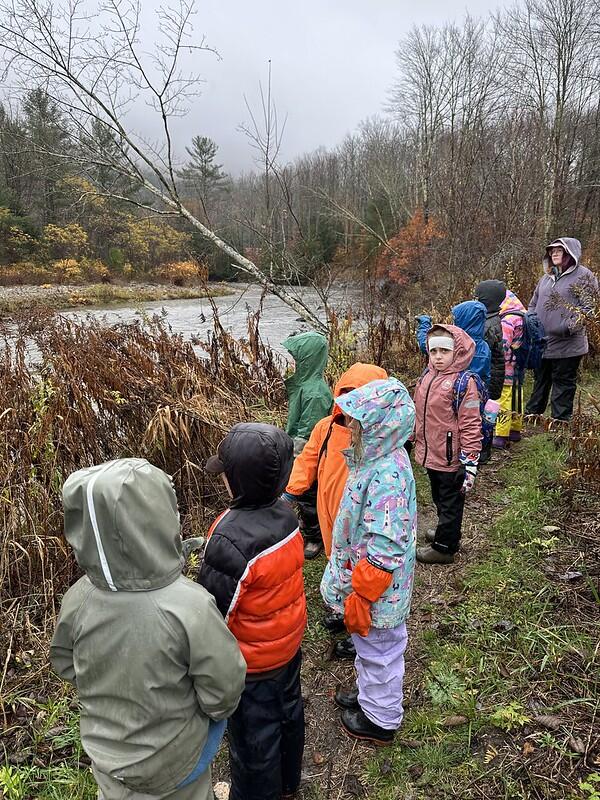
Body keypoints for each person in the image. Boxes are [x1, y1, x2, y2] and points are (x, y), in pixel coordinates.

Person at [50, 458, 246, 800]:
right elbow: (224, 688)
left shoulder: (78, 598)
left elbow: (65, 663)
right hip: (174, 762)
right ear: (160, 518)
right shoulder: (190, 605)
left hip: (107, 757)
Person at [198, 423, 307, 800]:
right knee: (289, 713)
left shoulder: (228, 539)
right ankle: (289, 783)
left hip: (252, 666)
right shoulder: (287, 517)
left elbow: (211, 614)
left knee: (252, 741)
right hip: (287, 647)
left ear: (237, 481)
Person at [320, 378, 417, 746]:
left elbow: (387, 547)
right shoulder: (374, 460)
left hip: (377, 590)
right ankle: (369, 697)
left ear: (380, 427)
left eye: (358, 423)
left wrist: (362, 595)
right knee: (370, 644)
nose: (350, 429)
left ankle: (381, 718)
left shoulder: (386, 475)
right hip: (368, 584)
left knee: (381, 650)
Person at [284, 362, 388, 659]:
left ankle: (360, 631)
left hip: (361, 519)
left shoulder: (377, 439)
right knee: (337, 561)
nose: (353, 406)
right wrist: (291, 491)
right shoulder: (325, 428)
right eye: (347, 395)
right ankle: (343, 610)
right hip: (329, 512)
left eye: (362, 397)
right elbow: (307, 461)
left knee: (360, 571)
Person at [413, 326, 482, 565]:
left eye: (445, 351)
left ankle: (444, 547)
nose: (439, 356)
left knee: (451, 502)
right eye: (434, 351)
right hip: (432, 453)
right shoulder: (428, 376)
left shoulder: (463, 383)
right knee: (439, 498)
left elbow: (472, 425)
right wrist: (411, 438)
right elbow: (419, 413)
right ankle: (447, 530)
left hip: (451, 458)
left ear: (458, 352)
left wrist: (469, 461)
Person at [526, 237, 599, 422]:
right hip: (543, 343)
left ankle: (559, 422)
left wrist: (567, 327)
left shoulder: (584, 276)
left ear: (570, 253)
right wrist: (531, 322)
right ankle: (533, 416)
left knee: (563, 383)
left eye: (560, 250)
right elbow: (533, 304)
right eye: (552, 250)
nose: (554, 253)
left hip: (568, 344)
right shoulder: (546, 277)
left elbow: (589, 308)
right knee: (541, 380)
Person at [283, 331, 334, 558]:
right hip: (301, 451)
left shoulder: (315, 393)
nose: (293, 362)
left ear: (308, 359)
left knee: (308, 496)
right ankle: (311, 530)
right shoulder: (305, 385)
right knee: (305, 495)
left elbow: (308, 434)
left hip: (309, 455)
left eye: (297, 358)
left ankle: (315, 537)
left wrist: (294, 457)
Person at [416, 300, 491, 385]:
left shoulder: (456, 341)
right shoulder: (484, 347)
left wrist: (424, 323)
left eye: (455, 318)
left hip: (447, 389)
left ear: (463, 319)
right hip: (474, 392)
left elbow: (425, 344)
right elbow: (486, 376)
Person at [494, 289, 526, 448]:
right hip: (519, 366)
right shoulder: (522, 315)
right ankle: (515, 430)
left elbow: (504, 346)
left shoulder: (507, 320)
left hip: (507, 367)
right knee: (517, 397)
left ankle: (501, 434)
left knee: (504, 399)